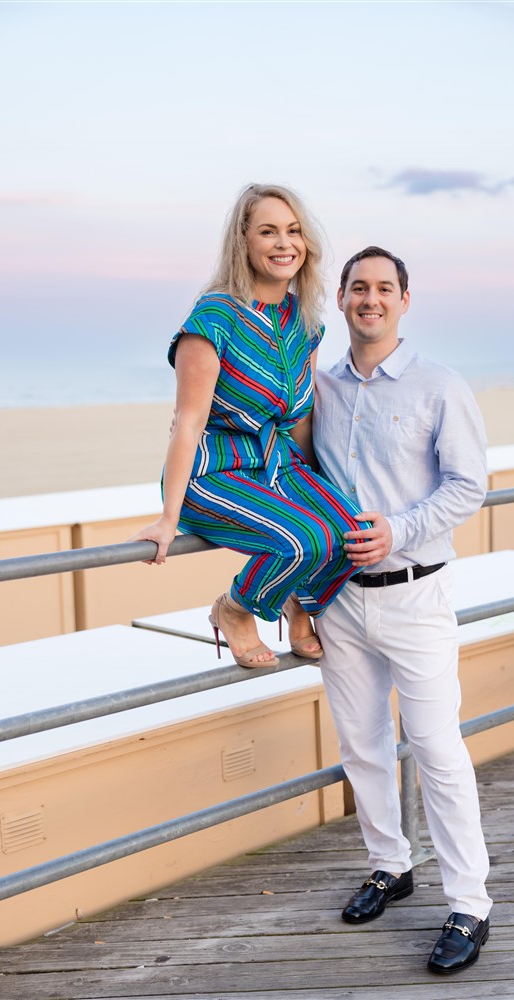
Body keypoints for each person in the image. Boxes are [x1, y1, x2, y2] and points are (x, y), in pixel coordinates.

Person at [312, 246, 492, 975]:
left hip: (416, 591)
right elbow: (298, 488)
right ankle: (390, 864)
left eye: (384, 288)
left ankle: (470, 905)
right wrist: (298, 596)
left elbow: (467, 486)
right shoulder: (318, 391)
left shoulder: (438, 385)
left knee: (436, 750)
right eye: (358, 287)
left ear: (404, 300)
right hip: (338, 600)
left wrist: (398, 528)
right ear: (341, 298)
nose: (370, 299)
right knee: (359, 745)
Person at [131, 184, 365, 668]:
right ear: (244, 241)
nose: (284, 243)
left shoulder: (306, 324)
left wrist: (322, 486)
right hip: (214, 472)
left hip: (277, 464)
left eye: (293, 231)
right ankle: (233, 610)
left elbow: (298, 418)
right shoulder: (213, 317)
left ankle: (299, 602)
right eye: (268, 231)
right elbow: (188, 422)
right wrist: (167, 518)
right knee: (302, 539)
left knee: (353, 531)